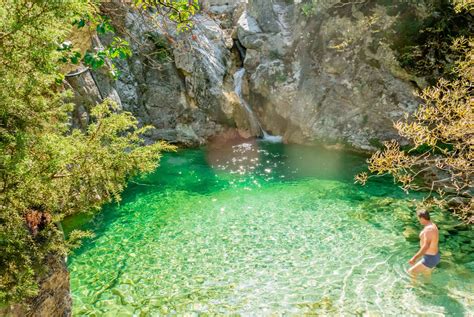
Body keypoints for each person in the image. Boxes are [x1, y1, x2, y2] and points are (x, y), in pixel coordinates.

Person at [408, 209, 440, 278]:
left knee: (412, 271)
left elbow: (426, 246)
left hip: (430, 258)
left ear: (422, 218)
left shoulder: (428, 230)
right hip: (434, 256)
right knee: (426, 274)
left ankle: (413, 287)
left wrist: (414, 258)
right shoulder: (432, 225)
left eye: (419, 219)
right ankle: (427, 286)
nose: (419, 221)